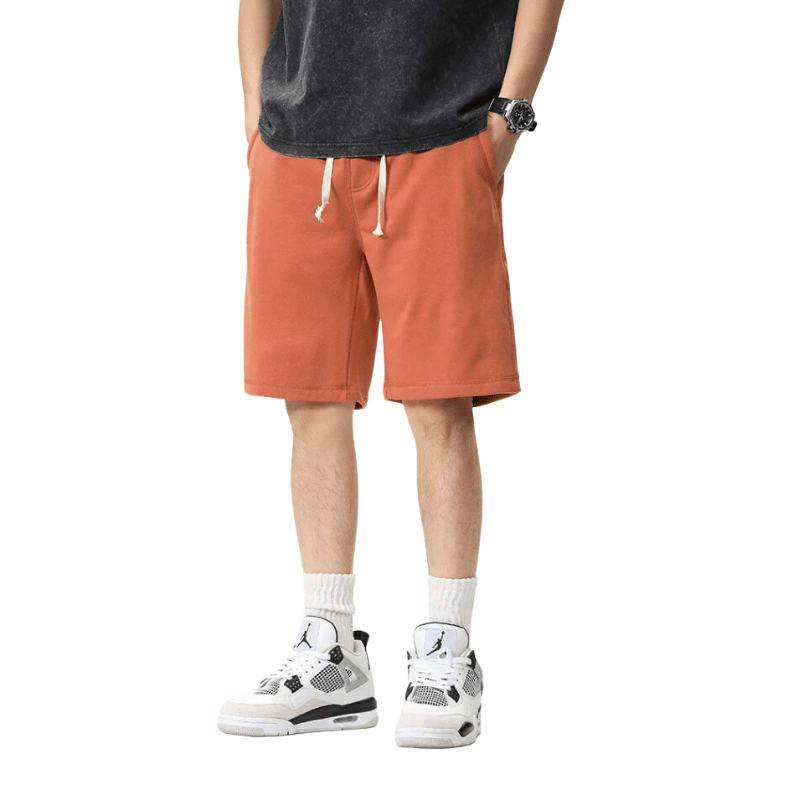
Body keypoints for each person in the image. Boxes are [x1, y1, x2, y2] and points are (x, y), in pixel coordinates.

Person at [218, 0, 565, 748]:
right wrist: (255, 111)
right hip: (297, 145)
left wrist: (509, 116)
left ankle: (447, 652)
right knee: (310, 402)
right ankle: (330, 653)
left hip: (442, 135)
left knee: (439, 402)